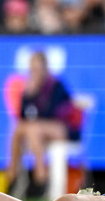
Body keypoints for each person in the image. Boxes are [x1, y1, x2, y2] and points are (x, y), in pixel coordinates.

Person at [6, 51, 83, 187]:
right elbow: (23, 115)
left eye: (38, 68)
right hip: (39, 130)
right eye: (33, 69)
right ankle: (15, 170)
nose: (35, 72)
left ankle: (38, 174)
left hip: (64, 129)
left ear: (45, 68)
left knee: (32, 127)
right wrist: (29, 95)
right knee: (19, 127)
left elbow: (56, 114)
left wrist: (35, 96)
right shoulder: (29, 88)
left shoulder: (56, 85)